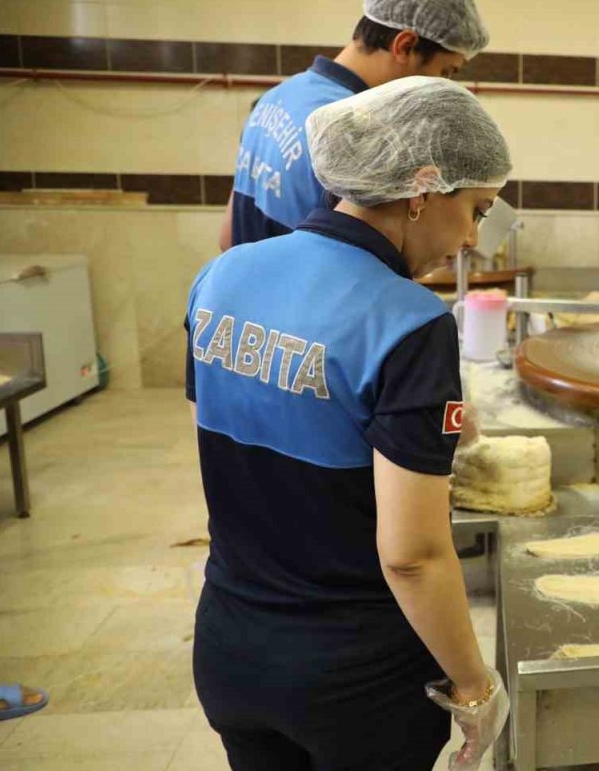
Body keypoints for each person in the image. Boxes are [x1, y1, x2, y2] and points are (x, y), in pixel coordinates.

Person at [188, 77, 511, 771]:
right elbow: (412, 555)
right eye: (476, 209)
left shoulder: (221, 276)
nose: (470, 239)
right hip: (354, 681)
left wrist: (423, 425)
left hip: (228, 647)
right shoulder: (411, 322)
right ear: (424, 189)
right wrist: (473, 685)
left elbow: (262, 423)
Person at [219, 0, 489, 251]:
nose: (443, 86)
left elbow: (227, 237)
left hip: (244, 291)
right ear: (405, 46)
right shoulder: (357, 131)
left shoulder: (275, 98)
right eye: (446, 71)